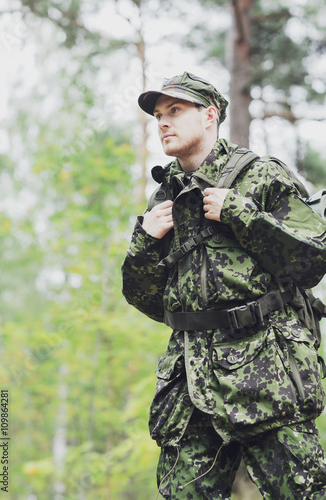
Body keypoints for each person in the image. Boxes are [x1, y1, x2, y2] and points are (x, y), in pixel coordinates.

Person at [121, 71, 326, 499]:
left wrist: (242, 214)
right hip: (189, 378)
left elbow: (312, 263)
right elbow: (147, 300)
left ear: (210, 115)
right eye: (158, 115)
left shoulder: (262, 176)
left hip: (266, 370)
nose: (162, 122)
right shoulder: (164, 199)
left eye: (174, 111)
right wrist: (144, 243)